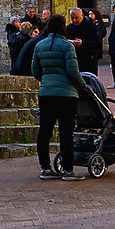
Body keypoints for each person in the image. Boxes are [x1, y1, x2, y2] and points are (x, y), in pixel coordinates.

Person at [25, 14, 82, 179]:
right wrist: (82, 85)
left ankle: (45, 168)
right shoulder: (66, 46)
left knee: (45, 131)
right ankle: (68, 169)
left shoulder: (40, 45)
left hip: (46, 93)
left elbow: (35, 71)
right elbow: (72, 71)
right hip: (66, 93)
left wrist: (46, 79)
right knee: (66, 132)